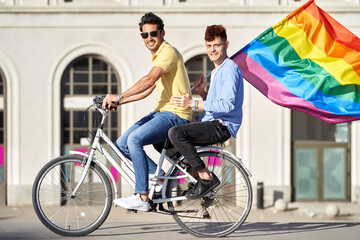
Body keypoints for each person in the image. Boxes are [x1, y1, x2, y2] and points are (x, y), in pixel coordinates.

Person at [102, 12, 192, 211]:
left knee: (135, 140)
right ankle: (161, 180)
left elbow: (148, 80)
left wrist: (119, 96)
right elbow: (149, 91)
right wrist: (121, 101)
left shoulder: (167, 52)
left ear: (162, 33)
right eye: (145, 35)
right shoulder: (158, 56)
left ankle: (142, 197)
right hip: (162, 113)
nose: (149, 38)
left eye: (153, 34)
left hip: (175, 114)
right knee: (122, 144)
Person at [169, 24, 244, 199]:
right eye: (209, 46)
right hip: (212, 122)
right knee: (163, 139)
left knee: (176, 133)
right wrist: (203, 93)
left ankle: (204, 175)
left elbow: (227, 106)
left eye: (217, 45)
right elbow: (215, 103)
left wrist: (192, 103)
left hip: (221, 126)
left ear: (226, 45)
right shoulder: (217, 71)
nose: (213, 50)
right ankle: (192, 171)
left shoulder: (230, 69)